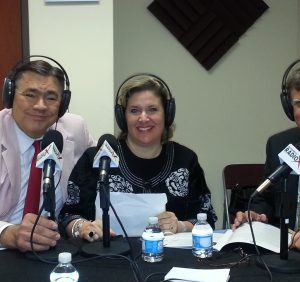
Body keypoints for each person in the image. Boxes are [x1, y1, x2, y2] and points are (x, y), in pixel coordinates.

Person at [59, 74, 217, 241]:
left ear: (167, 114)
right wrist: (83, 228)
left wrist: (181, 226)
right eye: (134, 110)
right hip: (107, 263)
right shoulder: (97, 159)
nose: (143, 118)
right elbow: (68, 217)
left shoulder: (185, 160)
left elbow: (207, 219)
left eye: (152, 109)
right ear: (122, 117)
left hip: (172, 262)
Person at [0, 58, 94, 252]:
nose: (40, 106)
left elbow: (101, 176)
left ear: (63, 103)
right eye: (30, 95)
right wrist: (9, 234)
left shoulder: (75, 129)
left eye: (51, 97)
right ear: (10, 96)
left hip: (55, 249)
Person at [232, 61, 300, 249]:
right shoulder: (280, 145)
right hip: (286, 251)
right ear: (289, 108)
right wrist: (256, 214)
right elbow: (267, 198)